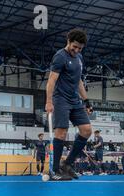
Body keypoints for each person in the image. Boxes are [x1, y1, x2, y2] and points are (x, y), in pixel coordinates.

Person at [45, 28, 93, 181]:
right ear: (69, 42)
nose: (77, 50)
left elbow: (78, 81)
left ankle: (67, 164)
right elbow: (51, 80)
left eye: (80, 48)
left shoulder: (79, 58)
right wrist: (48, 101)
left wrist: (86, 101)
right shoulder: (60, 57)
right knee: (61, 133)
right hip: (61, 100)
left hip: (75, 100)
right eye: (75, 46)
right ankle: (54, 170)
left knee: (86, 130)